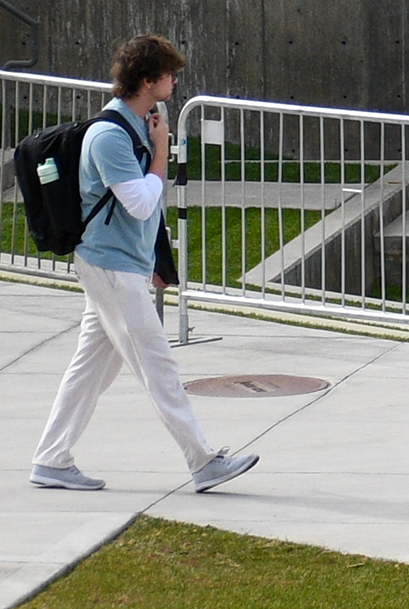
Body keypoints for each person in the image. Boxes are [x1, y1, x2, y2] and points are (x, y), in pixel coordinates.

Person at [30, 34, 257, 495]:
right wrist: (161, 151)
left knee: (92, 369)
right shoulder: (110, 135)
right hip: (111, 268)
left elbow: (146, 210)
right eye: (170, 75)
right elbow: (138, 202)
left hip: (120, 266)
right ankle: (203, 460)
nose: (175, 81)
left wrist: (156, 260)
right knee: (159, 368)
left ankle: (51, 459)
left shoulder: (139, 124)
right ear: (148, 80)